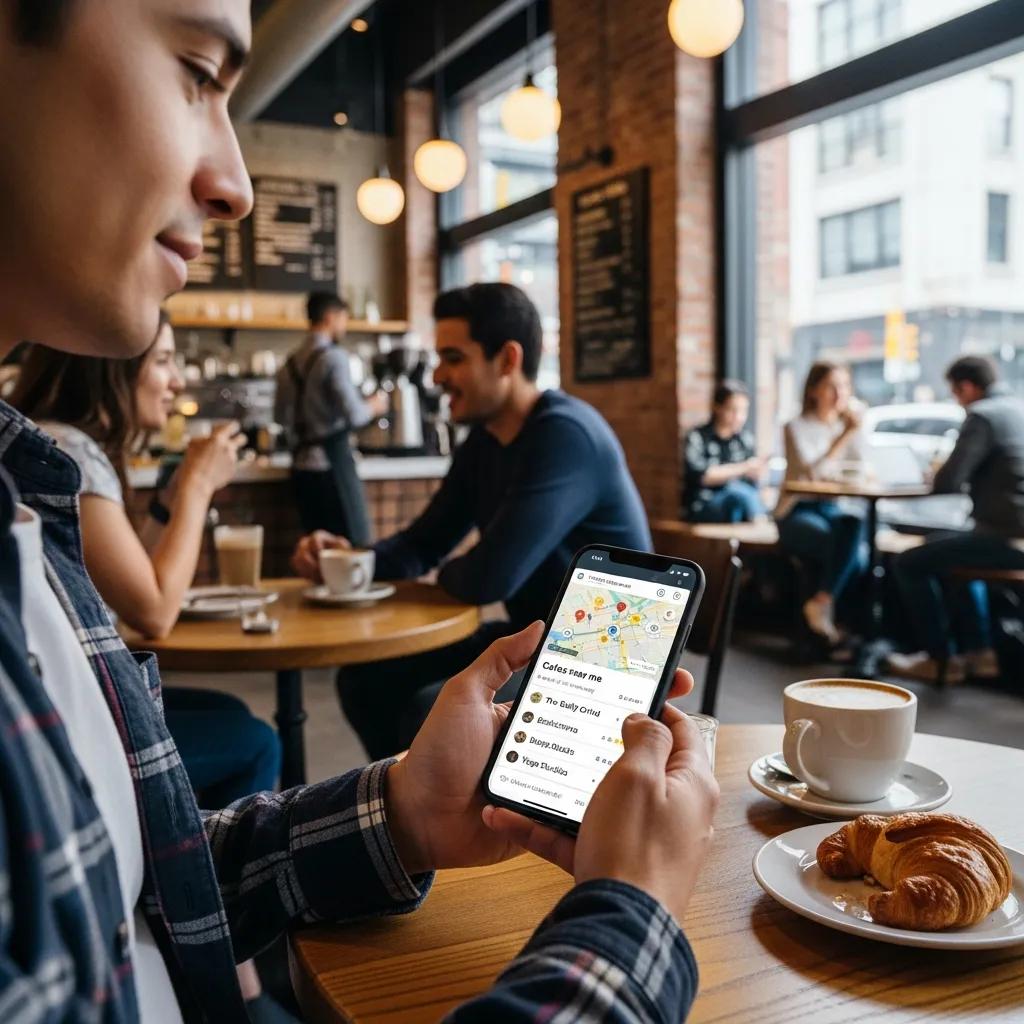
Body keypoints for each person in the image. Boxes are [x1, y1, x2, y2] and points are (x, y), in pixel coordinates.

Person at [0, 3, 718, 1022]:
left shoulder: (31, 499)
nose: (237, 187)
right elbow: (435, 547)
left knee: (394, 698)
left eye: (453, 357)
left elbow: (126, 879)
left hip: (594, 683)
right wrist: (634, 912)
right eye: (198, 72)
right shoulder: (40, 499)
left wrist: (399, 808)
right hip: (537, 688)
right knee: (386, 689)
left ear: (506, 361)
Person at [291, 282, 652, 759]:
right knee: (365, 680)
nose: (437, 375)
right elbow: (423, 544)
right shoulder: (484, 442)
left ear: (506, 359)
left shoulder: (565, 435)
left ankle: (457, 819)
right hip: (532, 638)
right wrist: (346, 560)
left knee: (433, 708)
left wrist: (452, 571)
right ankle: (414, 816)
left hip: (607, 663)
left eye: (453, 358)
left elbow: (489, 577)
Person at [9, 316, 281, 805]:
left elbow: (125, 575)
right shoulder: (68, 452)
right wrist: (198, 486)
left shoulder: (57, 441)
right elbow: (153, 610)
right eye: (162, 360)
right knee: (255, 741)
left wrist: (168, 503)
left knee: (234, 715)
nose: (177, 379)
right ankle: (201, 872)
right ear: (109, 370)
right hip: (74, 721)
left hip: (70, 697)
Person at [887, 356, 1024, 684]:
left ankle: (941, 658)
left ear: (966, 387)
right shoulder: (1018, 409)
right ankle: (980, 654)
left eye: (955, 393)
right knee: (951, 548)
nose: (957, 401)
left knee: (908, 562)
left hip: (1006, 538)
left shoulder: (982, 415)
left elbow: (948, 482)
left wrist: (934, 472)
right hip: (1009, 534)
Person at [274, 292, 386, 548]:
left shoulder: (289, 363)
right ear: (330, 317)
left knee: (317, 548)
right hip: (332, 466)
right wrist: (374, 405)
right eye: (343, 319)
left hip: (301, 468)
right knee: (353, 545)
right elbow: (355, 414)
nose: (344, 326)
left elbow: (279, 416)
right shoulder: (334, 358)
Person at [776, 362, 867, 645]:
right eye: (831, 386)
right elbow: (810, 474)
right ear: (814, 390)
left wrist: (853, 431)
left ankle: (822, 604)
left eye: (844, 386)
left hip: (834, 509)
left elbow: (866, 469)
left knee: (858, 539)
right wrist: (845, 435)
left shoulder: (848, 425)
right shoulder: (796, 426)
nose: (839, 393)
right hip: (796, 510)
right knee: (846, 551)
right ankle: (829, 625)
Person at [683, 379, 767, 522]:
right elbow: (702, 476)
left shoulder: (745, 439)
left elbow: (756, 480)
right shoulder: (698, 437)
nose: (739, 417)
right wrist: (744, 467)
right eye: (732, 410)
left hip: (741, 502)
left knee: (743, 498)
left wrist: (759, 472)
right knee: (738, 496)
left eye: (743, 411)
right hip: (704, 504)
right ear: (717, 407)